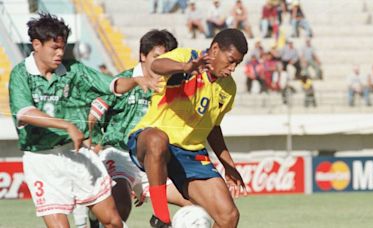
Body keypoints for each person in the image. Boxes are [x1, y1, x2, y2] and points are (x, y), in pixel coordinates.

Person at [8, 13, 148, 228]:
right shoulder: (21, 73)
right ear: (36, 44)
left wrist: (135, 81)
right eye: (54, 48)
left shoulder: (74, 70)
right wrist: (67, 125)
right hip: (41, 160)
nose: (60, 53)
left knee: (113, 222)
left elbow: (111, 85)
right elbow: (24, 112)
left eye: (62, 47)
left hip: (76, 153)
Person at [127, 28, 248, 227]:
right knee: (158, 139)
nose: (233, 68)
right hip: (150, 140)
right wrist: (186, 67)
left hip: (190, 154)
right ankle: (161, 218)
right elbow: (157, 65)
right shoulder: (188, 56)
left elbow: (213, 128)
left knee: (228, 217)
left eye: (238, 63)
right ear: (215, 49)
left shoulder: (228, 88)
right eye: (231, 60)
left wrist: (228, 165)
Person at [77, 29, 191, 228]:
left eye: (166, 58)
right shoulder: (125, 81)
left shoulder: (172, 85)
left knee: (195, 203)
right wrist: (92, 143)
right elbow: (92, 117)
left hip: (154, 160)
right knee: (121, 205)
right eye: (156, 57)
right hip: (119, 155)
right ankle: (96, 217)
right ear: (143, 56)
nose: (159, 63)